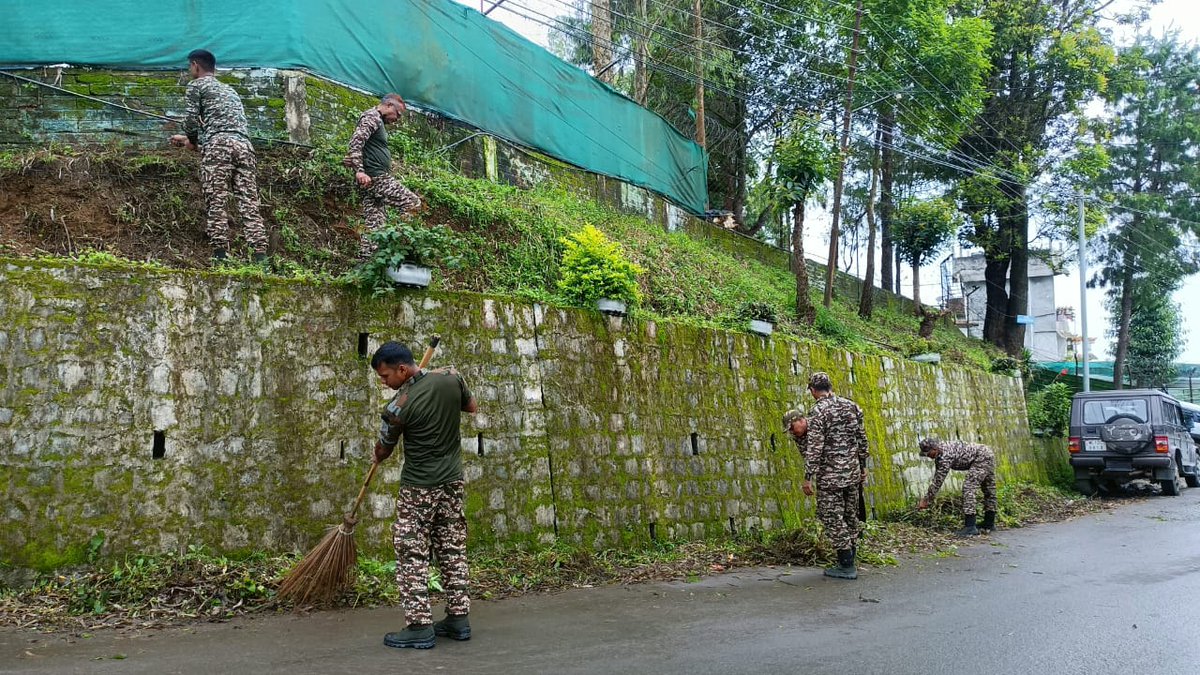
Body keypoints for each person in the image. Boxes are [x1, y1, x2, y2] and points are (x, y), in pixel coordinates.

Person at [371, 341, 478, 649]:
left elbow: (383, 450)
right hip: (452, 482)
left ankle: (419, 626)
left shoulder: (397, 407)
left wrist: (377, 453)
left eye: (386, 376)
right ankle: (458, 618)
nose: (384, 383)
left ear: (402, 369)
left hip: (419, 488)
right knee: (451, 548)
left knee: (411, 552)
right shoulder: (452, 377)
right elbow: (471, 407)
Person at [169, 49, 268, 263]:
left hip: (218, 147)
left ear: (195, 65)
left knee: (216, 201)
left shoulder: (197, 85)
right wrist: (188, 140)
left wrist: (191, 140)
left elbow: (191, 121)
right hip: (244, 147)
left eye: (189, 66)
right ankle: (260, 259)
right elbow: (223, 130)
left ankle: (220, 257)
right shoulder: (230, 91)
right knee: (249, 204)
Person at [802, 372, 869, 580]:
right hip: (852, 473)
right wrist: (863, 466)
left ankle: (846, 564)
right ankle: (851, 558)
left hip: (830, 476)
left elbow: (815, 447)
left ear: (813, 390)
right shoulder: (852, 406)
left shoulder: (818, 411)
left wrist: (808, 476)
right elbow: (862, 438)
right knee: (850, 516)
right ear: (830, 386)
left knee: (831, 516)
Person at [344, 94, 423, 260]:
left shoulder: (377, 120)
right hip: (375, 177)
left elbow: (363, 147)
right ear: (388, 105)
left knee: (375, 224)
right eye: (398, 114)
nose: (397, 119)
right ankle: (399, 244)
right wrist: (359, 170)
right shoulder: (372, 117)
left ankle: (366, 262)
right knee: (413, 203)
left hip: (371, 179)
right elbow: (356, 142)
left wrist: (357, 164)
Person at [917, 437, 997, 537]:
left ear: (934, 449)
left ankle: (970, 527)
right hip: (987, 452)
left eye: (928, 454)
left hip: (981, 457)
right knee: (989, 489)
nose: (928, 457)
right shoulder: (942, 450)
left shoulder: (944, 457)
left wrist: (926, 500)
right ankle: (989, 523)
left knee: (969, 488)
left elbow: (938, 481)